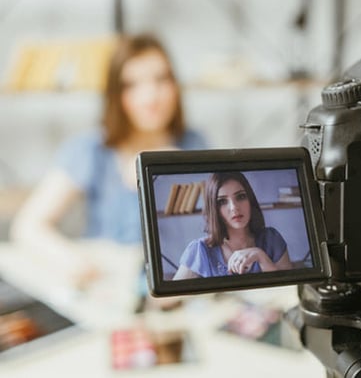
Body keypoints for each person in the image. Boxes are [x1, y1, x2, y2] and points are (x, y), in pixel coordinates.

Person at [10, 33, 207, 284]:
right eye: (131, 84)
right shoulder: (91, 149)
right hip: (111, 285)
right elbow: (28, 226)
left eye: (161, 79)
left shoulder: (194, 144)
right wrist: (71, 260)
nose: (150, 96)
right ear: (115, 94)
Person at [173, 172, 292, 279]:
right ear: (214, 209)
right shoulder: (200, 250)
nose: (234, 207)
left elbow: (291, 290)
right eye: (222, 202)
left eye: (240, 197)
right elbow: (173, 297)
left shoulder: (271, 239)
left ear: (250, 200)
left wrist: (261, 257)